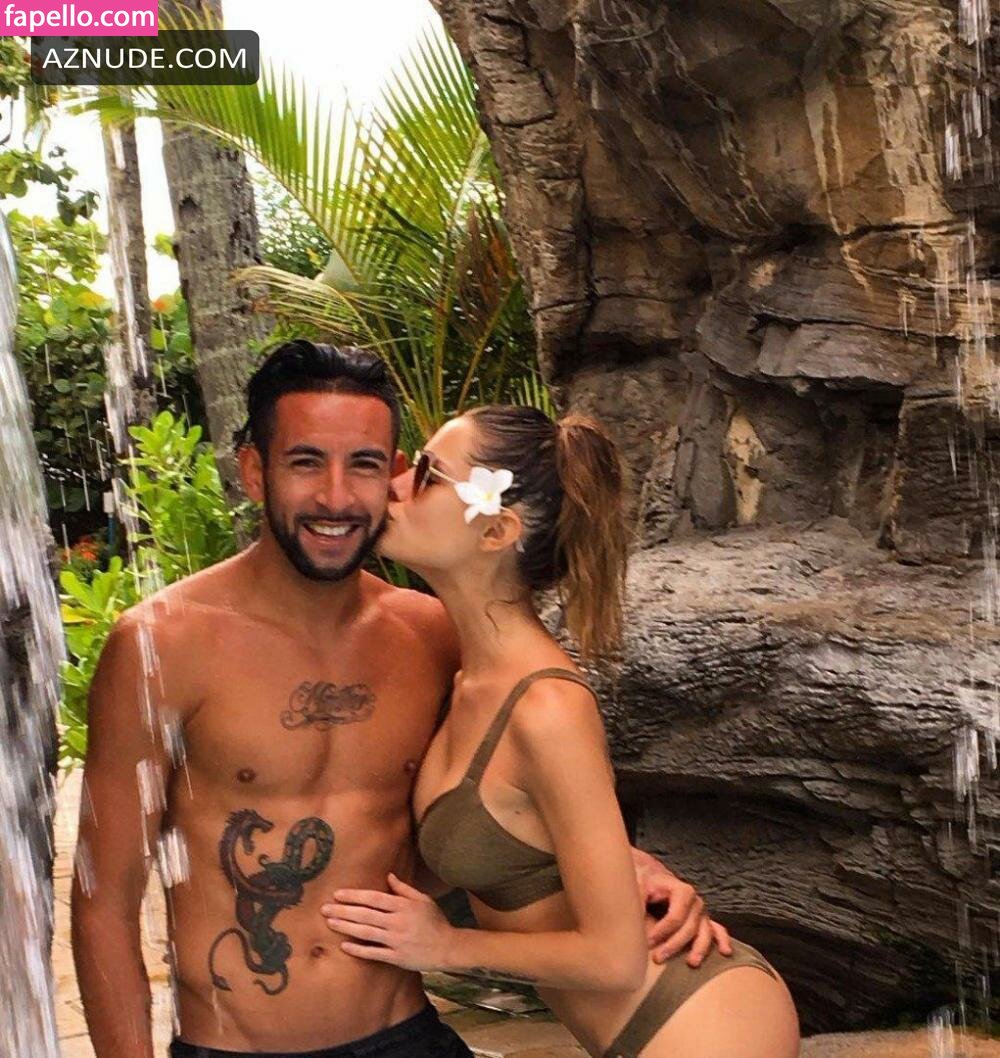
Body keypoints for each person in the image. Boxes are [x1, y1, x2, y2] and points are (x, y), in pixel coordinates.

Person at [72, 340, 730, 1058]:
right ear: (255, 472)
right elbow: (105, 902)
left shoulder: (432, 638)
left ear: (392, 474)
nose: (335, 497)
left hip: (405, 1035)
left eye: (363, 465)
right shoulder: (162, 646)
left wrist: (632, 869)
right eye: (305, 462)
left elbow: (510, 796)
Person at [319, 404, 802, 1058]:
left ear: (496, 530)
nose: (395, 485)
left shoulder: (547, 706)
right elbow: (512, 846)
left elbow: (616, 959)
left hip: (701, 1021)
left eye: (428, 475)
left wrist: (447, 946)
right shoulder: (464, 679)